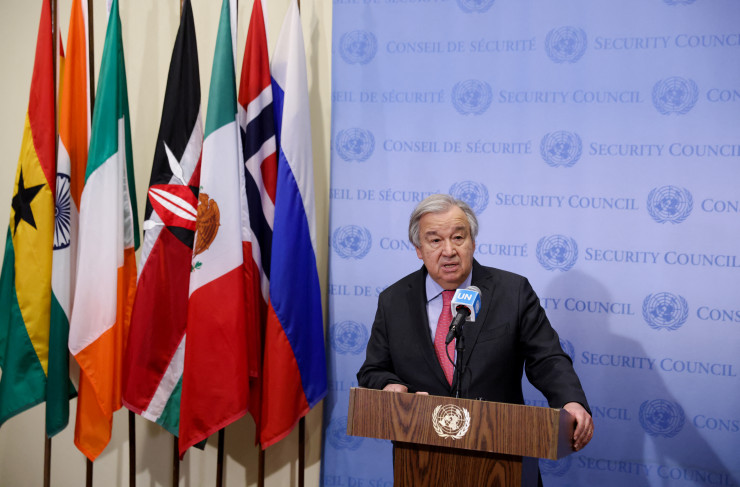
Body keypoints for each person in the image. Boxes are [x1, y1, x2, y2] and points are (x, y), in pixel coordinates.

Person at [357, 193, 594, 455]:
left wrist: (570, 401)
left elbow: (547, 358)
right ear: (419, 249)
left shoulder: (512, 292)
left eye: (458, 237)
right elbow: (373, 370)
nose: (449, 251)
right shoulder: (394, 300)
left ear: (473, 242)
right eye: (435, 240)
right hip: (420, 454)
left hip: (499, 450)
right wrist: (390, 386)